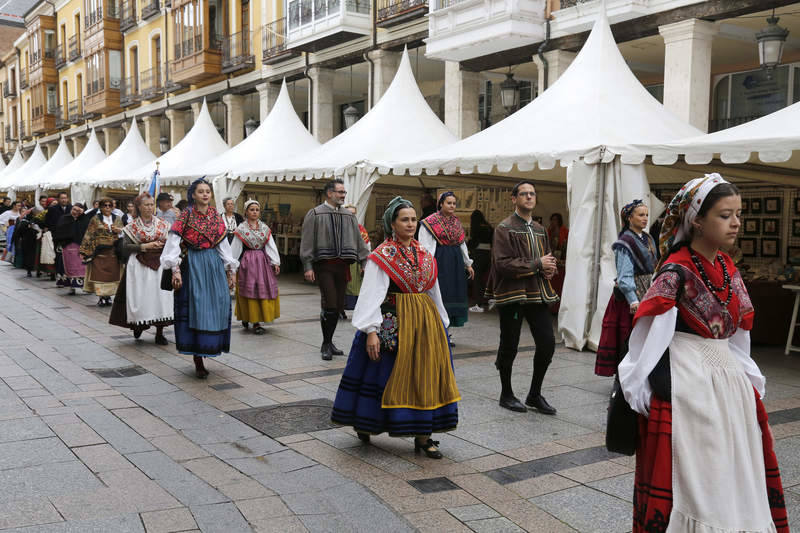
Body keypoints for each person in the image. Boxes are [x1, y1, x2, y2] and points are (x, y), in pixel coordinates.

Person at [619, 174, 787, 533]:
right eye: (725, 215)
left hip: (729, 386)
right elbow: (648, 337)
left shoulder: (729, 268)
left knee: (733, 473)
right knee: (698, 481)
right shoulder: (676, 269)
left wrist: (750, 380)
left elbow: (740, 335)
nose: (736, 223)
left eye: (738, 214)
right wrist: (640, 387)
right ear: (696, 219)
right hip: (688, 382)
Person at [331, 196, 460, 459]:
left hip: (425, 324)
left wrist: (442, 324)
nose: (411, 224)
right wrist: (371, 331)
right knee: (383, 374)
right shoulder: (382, 256)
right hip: (393, 321)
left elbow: (433, 291)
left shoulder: (425, 254)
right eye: (405, 219)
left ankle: (424, 435)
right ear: (392, 223)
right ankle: (365, 423)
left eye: (413, 219)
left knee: (425, 376)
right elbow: (371, 294)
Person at [485, 181, 559, 414]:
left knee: (547, 344)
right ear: (514, 198)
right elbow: (503, 264)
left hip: (537, 293)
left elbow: (546, 258)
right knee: (510, 345)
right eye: (524, 194)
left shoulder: (539, 229)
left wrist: (549, 268)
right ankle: (506, 393)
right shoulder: (504, 228)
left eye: (532, 194)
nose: (529, 197)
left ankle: (534, 394)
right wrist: (538, 264)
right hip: (513, 294)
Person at [161, 178, 238, 379]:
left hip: (213, 264)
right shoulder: (185, 215)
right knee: (197, 307)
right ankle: (197, 357)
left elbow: (223, 245)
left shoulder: (214, 215)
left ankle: (211, 346)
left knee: (219, 304)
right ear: (193, 195)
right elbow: (173, 244)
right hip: (193, 264)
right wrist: (175, 269)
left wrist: (231, 270)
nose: (205, 194)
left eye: (208, 191)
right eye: (201, 191)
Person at [300, 179, 370, 361]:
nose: (343, 195)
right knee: (330, 303)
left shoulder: (349, 215)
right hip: (324, 266)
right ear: (329, 193)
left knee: (338, 306)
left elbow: (359, 241)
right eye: (340, 192)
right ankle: (325, 344)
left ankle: (330, 342)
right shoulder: (314, 214)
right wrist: (307, 266)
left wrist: (364, 262)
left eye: (344, 192)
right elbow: (307, 241)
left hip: (343, 267)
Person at [595, 200, 658, 377]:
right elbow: (624, 276)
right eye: (640, 215)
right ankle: (625, 376)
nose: (645, 218)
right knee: (628, 337)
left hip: (647, 290)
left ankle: (640, 373)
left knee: (644, 336)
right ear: (629, 218)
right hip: (631, 296)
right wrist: (633, 299)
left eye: (646, 214)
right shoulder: (625, 242)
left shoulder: (648, 238)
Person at [109, 193, 172, 345]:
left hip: (159, 265)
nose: (150, 208)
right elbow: (124, 247)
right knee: (141, 297)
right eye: (146, 205)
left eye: (152, 204)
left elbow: (171, 243)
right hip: (139, 264)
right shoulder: (132, 227)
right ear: (139, 207)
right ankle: (139, 324)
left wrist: (163, 245)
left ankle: (160, 331)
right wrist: (144, 246)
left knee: (160, 297)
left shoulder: (163, 224)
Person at [419, 192, 474, 346]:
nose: (452, 206)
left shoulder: (456, 222)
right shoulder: (430, 222)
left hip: (455, 262)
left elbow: (462, 243)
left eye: (454, 203)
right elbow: (425, 246)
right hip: (440, 261)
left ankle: (447, 332)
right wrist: (428, 264)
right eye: (449, 203)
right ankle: (436, 331)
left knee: (452, 294)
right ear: (441, 204)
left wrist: (468, 263)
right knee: (439, 294)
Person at [231, 200, 280, 335]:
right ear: (246, 212)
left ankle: (257, 321)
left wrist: (275, 261)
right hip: (248, 262)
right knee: (250, 290)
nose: (254, 212)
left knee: (261, 290)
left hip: (263, 263)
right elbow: (235, 248)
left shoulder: (264, 228)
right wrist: (232, 267)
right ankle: (248, 317)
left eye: (257, 210)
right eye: (251, 209)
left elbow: (271, 245)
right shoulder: (241, 229)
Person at [80, 198, 123, 306]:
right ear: (100, 207)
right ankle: (101, 296)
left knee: (112, 275)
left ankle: (108, 296)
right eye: (105, 205)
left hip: (113, 251)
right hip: (98, 251)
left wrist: (118, 231)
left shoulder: (117, 218)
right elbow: (88, 234)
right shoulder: (95, 219)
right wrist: (83, 250)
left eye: (110, 205)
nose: (108, 207)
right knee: (99, 275)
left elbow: (123, 232)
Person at [52, 203, 94, 294]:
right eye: (74, 209)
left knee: (82, 267)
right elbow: (59, 230)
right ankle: (71, 286)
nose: (75, 212)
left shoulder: (84, 219)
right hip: (67, 246)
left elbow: (87, 232)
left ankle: (85, 286)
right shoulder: (64, 218)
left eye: (78, 210)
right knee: (69, 266)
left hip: (81, 246)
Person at [343, 205, 371, 317]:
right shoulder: (339, 228)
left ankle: (356, 309)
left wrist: (365, 264)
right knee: (341, 287)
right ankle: (340, 309)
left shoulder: (361, 229)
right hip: (341, 262)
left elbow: (367, 247)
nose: (351, 216)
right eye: (349, 213)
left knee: (355, 287)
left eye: (353, 213)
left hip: (356, 262)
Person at [467, 210, 493, 312]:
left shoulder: (477, 227)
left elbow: (473, 241)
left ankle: (478, 303)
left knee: (476, 278)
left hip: (479, 254)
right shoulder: (488, 227)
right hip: (488, 254)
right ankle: (486, 299)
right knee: (483, 278)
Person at [47, 193, 73, 286]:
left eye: (65, 198)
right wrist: (54, 232)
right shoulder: (52, 209)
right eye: (62, 198)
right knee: (59, 257)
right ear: (58, 199)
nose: (64, 200)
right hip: (58, 238)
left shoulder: (72, 208)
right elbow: (48, 222)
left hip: (70, 237)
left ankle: (69, 277)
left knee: (70, 257)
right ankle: (60, 277)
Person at [547, 213, 569, 314]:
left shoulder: (565, 231)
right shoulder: (548, 231)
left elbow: (566, 245)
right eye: (552, 219)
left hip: (561, 261)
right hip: (550, 260)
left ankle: (557, 307)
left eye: (555, 219)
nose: (553, 221)